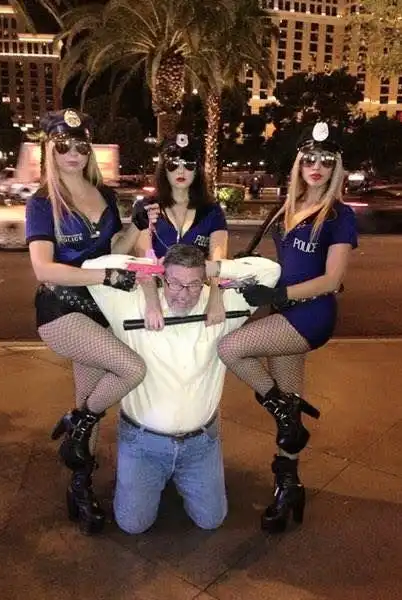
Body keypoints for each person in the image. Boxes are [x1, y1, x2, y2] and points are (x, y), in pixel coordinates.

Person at [53, 244, 281, 534]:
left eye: (193, 284)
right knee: (133, 525)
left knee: (212, 520)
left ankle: (180, 478)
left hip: (200, 444)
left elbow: (271, 271)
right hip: (142, 442)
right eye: (174, 282)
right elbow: (91, 266)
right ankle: (152, 478)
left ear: (204, 280)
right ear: (163, 277)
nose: (183, 294)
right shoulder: (131, 301)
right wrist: (150, 275)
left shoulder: (222, 305)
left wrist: (214, 277)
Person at [217, 122, 358, 534]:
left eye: (326, 160)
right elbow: (283, 264)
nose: (317, 166)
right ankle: (289, 485)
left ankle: (282, 410)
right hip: (284, 309)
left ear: (336, 168)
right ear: (299, 162)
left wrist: (279, 295)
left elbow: (332, 280)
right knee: (290, 407)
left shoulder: (339, 215)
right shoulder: (287, 205)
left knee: (230, 348)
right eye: (310, 158)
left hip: (311, 314)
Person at [25, 108, 159, 535]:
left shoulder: (103, 194)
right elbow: (44, 269)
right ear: (50, 150)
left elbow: (113, 250)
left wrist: (136, 228)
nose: (73, 153)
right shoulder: (42, 202)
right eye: (63, 145)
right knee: (131, 369)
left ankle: (79, 487)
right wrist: (105, 277)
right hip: (61, 310)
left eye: (80, 146)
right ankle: (75, 422)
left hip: (100, 310)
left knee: (92, 401)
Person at [135, 133, 228, 329]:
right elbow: (144, 262)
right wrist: (152, 303)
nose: (181, 170)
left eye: (189, 164)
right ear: (164, 169)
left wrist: (215, 298)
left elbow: (219, 261)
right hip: (158, 292)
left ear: (197, 169)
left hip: (196, 293)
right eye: (173, 164)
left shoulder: (211, 211)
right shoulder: (148, 207)